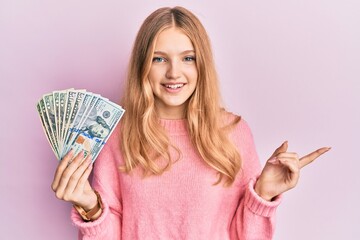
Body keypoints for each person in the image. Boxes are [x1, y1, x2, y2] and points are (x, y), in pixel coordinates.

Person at [51, 6, 330, 240]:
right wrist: (90, 206)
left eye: (188, 58)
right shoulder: (117, 136)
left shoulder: (233, 133)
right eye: (159, 59)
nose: (174, 72)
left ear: (202, 65)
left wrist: (263, 195)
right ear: (142, 66)